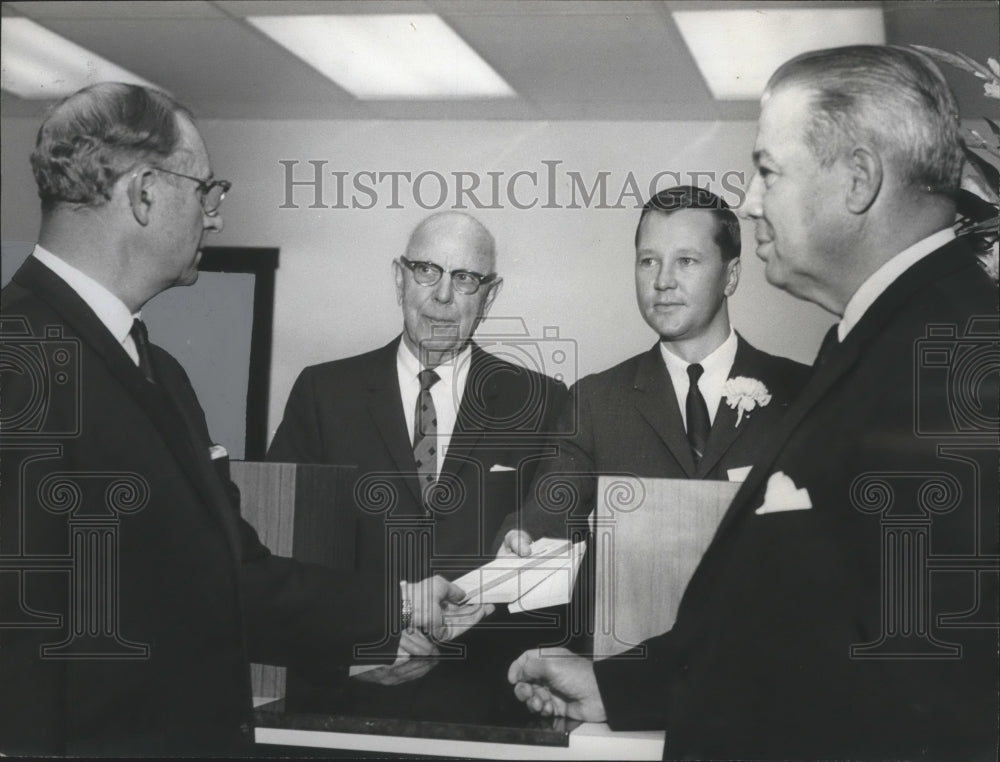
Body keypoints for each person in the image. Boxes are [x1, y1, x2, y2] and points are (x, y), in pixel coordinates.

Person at [508, 45, 998, 760]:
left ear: (858, 179)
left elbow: (925, 686)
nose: (750, 199)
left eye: (768, 170)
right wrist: (621, 687)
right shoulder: (879, 340)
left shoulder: (955, 359)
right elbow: (799, 614)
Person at [0, 83, 488, 756]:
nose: (217, 218)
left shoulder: (159, 371)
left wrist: (398, 605)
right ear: (144, 193)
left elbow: (227, 577)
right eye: (206, 192)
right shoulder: (14, 358)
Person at [266, 211, 568, 695]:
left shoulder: (540, 403)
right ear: (399, 277)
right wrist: (357, 650)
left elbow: (556, 560)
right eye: (427, 271)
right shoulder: (324, 393)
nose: (443, 296)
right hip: (347, 692)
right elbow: (279, 553)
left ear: (490, 295)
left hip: (488, 700)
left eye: (466, 278)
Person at [500, 186, 808, 552]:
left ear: (731, 276)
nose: (662, 281)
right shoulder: (595, 403)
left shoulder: (801, 392)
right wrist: (520, 541)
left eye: (686, 261)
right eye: (648, 261)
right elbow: (544, 517)